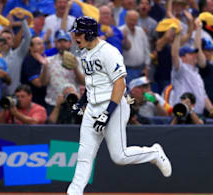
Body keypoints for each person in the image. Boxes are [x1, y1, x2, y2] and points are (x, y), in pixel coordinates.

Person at [67, 16, 172, 195]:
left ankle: (154, 153)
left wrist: (107, 113)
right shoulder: (84, 53)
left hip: (114, 106)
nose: (75, 37)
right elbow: (92, 83)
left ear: (90, 34)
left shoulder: (109, 52)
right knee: (84, 157)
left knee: (120, 156)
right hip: (93, 108)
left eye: (79, 33)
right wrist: (81, 103)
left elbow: (120, 84)